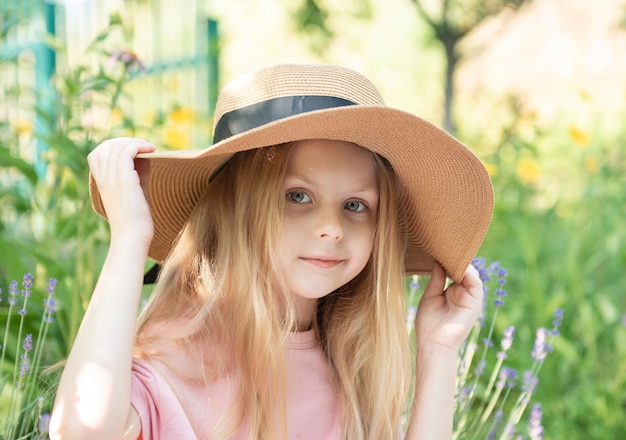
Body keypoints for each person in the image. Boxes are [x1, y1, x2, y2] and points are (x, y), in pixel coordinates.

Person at [50, 63, 493, 440]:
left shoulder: (349, 364)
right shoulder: (182, 359)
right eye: (297, 196)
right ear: (235, 208)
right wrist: (129, 240)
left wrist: (438, 353)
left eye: (356, 205)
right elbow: (83, 429)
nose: (331, 228)